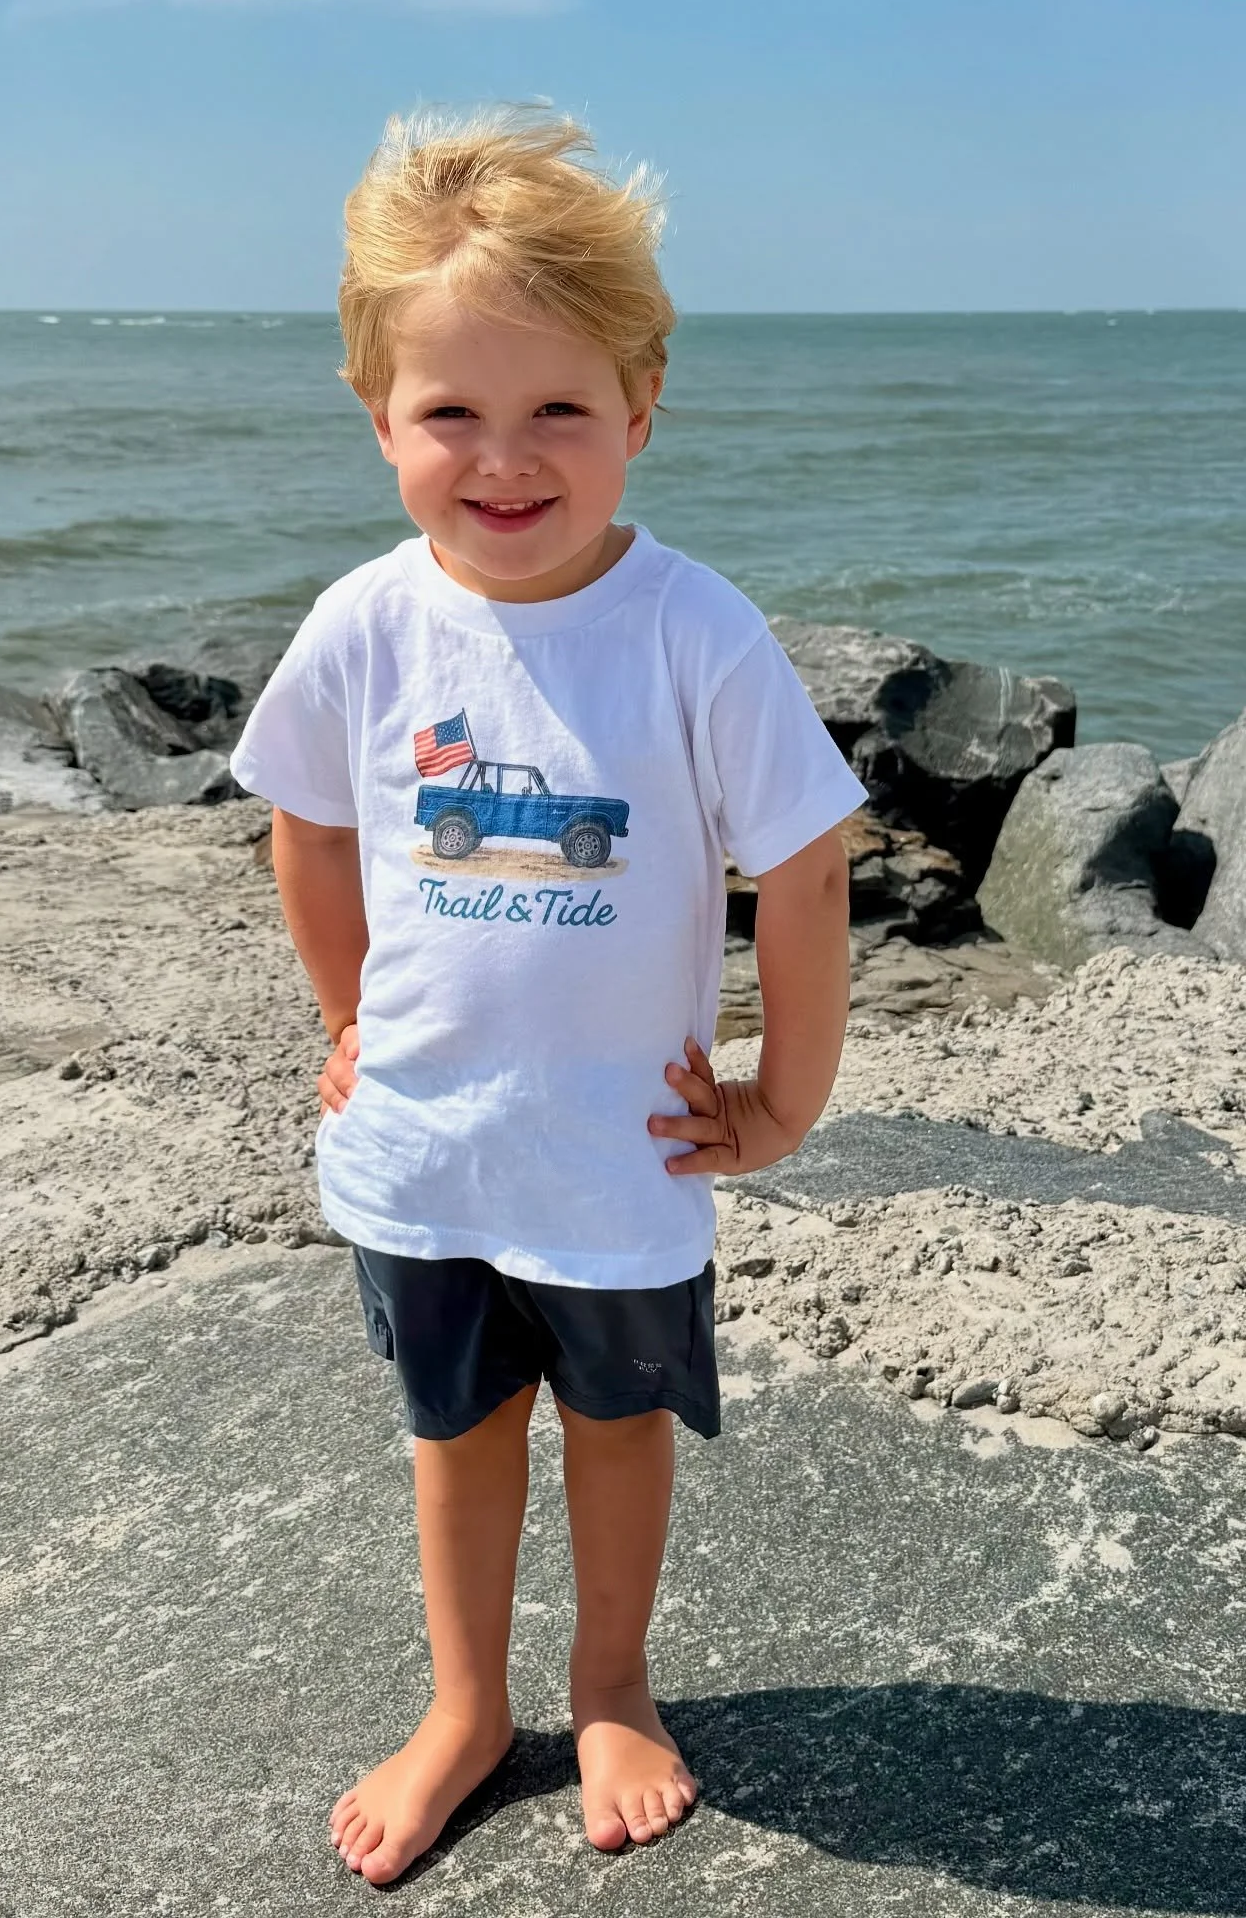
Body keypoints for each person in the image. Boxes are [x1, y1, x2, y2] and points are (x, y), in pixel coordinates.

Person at [228, 107, 868, 1887]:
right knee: (451, 1429)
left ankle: (610, 1680)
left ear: (641, 408)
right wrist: (345, 1018)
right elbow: (311, 820)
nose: (503, 460)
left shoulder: (690, 630)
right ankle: (461, 1703)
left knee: (617, 1417)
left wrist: (785, 1090)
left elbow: (804, 865)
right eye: (451, 415)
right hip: (424, 1151)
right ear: (379, 417)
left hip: (615, 1154)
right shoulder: (364, 625)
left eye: (558, 412)